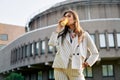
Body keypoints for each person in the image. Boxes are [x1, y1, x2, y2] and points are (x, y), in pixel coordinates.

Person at [48, 10, 99, 80]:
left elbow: (95, 53)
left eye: (69, 16)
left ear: (75, 19)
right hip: (60, 68)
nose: (66, 18)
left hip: (76, 69)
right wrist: (58, 29)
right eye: (65, 16)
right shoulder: (62, 34)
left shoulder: (84, 35)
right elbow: (51, 43)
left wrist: (87, 63)